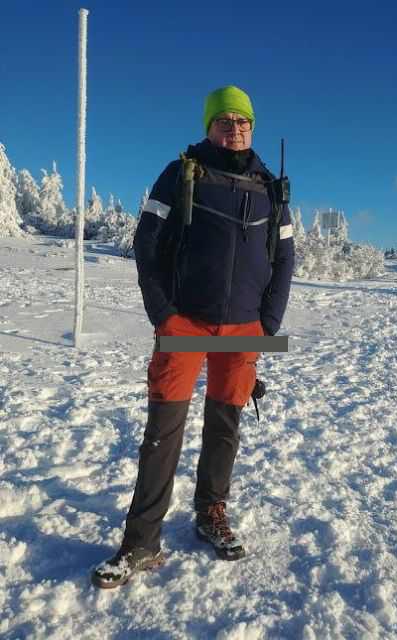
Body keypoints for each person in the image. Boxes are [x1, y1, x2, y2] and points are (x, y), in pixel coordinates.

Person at [92, 86, 294, 588]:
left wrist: (268, 323)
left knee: (225, 425)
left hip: (243, 328)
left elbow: (286, 257)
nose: (235, 129)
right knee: (164, 430)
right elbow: (146, 240)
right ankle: (141, 542)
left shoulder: (271, 188)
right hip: (185, 322)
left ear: (252, 127)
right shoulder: (181, 174)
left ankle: (211, 513)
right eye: (224, 121)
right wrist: (163, 312)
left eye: (243, 121)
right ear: (209, 126)